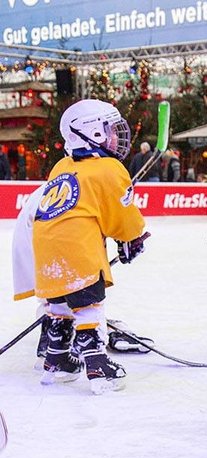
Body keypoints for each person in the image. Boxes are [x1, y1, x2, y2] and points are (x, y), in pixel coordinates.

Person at [32, 99, 146, 394]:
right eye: (109, 130)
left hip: (45, 251)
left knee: (59, 305)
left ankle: (56, 359)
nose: (116, 137)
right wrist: (131, 237)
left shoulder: (61, 165)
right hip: (78, 250)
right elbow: (121, 218)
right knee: (87, 305)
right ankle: (97, 365)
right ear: (92, 133)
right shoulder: (110, 168)